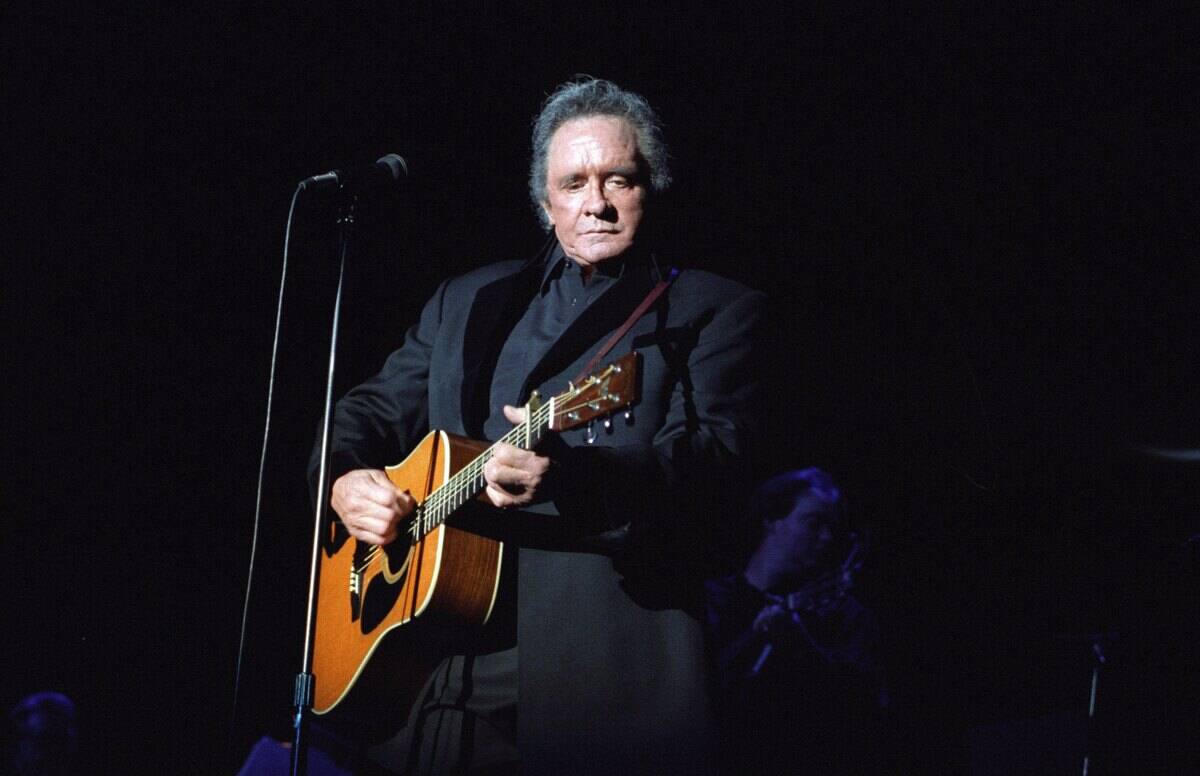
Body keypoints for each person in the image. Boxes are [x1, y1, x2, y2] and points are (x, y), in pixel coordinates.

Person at [310, 78, 763, 774]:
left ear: (653, 187)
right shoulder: (465, 299)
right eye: (574, 181)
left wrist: (577, 476)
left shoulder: (709, 307)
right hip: (429, 676)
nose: (597, 203)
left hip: (604, 675)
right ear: (544, 199)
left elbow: (712, 467)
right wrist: (343, 479)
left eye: (620, 180)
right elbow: (365, 412)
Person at [705, 468, 887, 774]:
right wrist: (755, 636)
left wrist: (802, 648)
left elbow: (868, 710)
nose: (828, 538)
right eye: (815, 523)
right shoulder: (712, 599)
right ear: (772, 520)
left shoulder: (844, 614)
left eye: (833, 528)